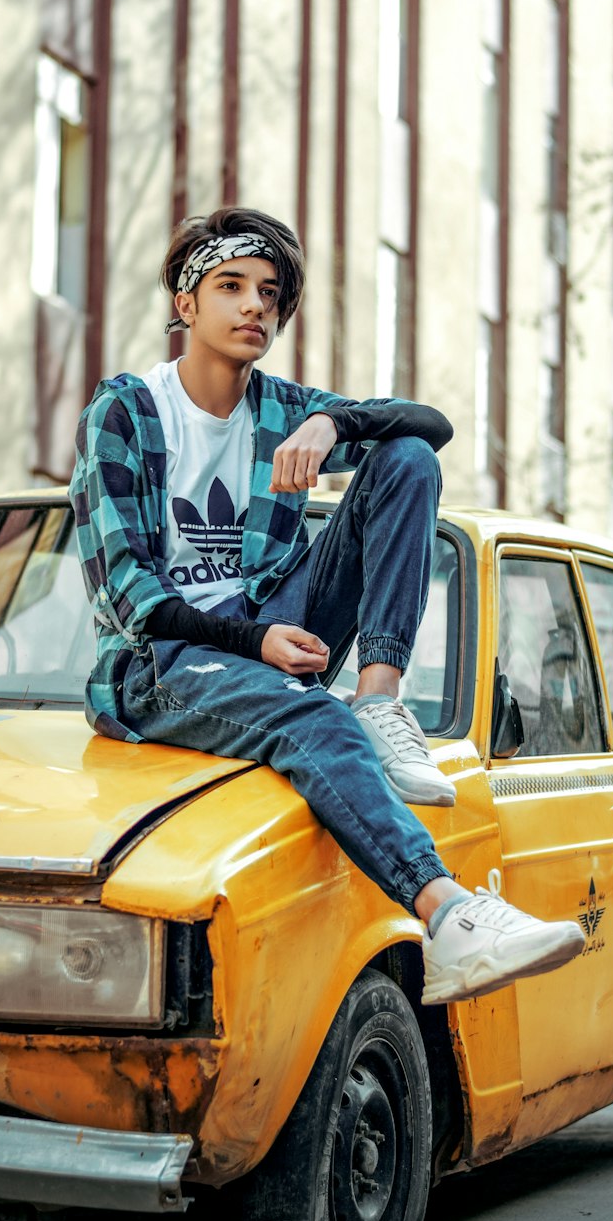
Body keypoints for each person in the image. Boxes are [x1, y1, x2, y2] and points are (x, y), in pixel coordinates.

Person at [69, 206, 584, 1004]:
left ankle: (380, 698)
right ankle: (447, 916)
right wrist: (255, 640)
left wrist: (328, 419)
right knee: (314, 718)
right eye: (230, 286)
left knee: (404, 459)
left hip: (275, 625)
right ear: (185, 303)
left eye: (269, 294)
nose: (253, 308)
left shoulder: (277, 408)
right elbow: (128, 595)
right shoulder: (129, 413)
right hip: (160, 662)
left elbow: (430, 428)